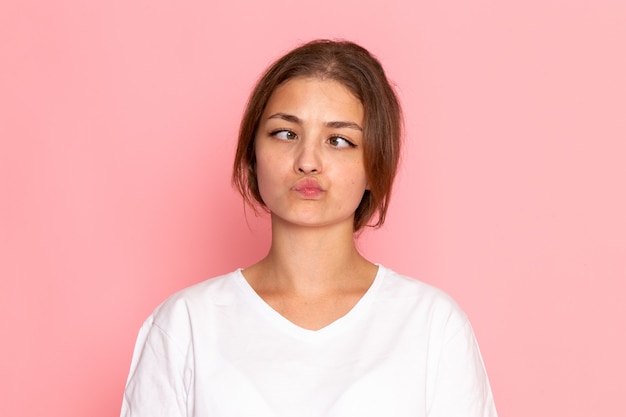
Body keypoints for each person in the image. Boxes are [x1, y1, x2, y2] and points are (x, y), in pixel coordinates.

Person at [120, 39, 497, 417]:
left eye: (339, 140)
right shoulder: (185, 325)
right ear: (252, 153)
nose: (307, 161)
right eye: (286, 133)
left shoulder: (432, 325)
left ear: (375, 165)